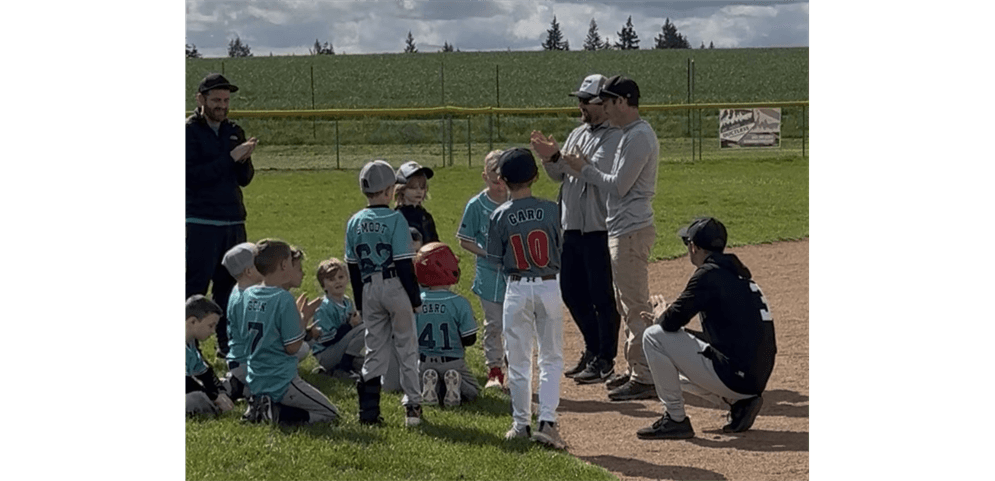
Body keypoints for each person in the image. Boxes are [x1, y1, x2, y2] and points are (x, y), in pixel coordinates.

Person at [555, 75, 660, 401]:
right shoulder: (629, 134)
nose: (603, 107)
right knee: (625, 304)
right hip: (619, 228)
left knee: (634, 306)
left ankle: (644, 376)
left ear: (622, 101)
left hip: (629, 229)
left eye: (608, 101)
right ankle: (637, 370)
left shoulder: (638, 136)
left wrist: (581, 168)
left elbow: (618, 185)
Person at [637, 217, 777, 439]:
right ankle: (739, 402)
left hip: (735, 376)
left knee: (653, 337)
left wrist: (660, 314)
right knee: (669, 354)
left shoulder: (708, 274)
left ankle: (675, 419)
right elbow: (720, 338)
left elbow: (669, 323)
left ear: (694, 247)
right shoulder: (740, 275)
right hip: (755, 378)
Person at [530, 74, 623, 386]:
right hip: (571, 225)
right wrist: (549, 159)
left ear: (604, 103)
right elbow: (560, 175)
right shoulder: (577, 133)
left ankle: (605, 359)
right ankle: (593, 348)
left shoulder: (615, 136)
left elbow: (590, 168)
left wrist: (561, 158)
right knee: (571, 291)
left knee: (601, 295)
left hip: (599, 225)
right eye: (579, 99)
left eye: (587, 100)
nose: (581, 105)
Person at [486, 148, 566, 450]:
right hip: (549, 285)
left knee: (518, 361)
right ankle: (547, 421)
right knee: (551, 357)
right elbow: (561, 246)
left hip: (517, 287)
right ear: (534, 175)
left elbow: (494, 259)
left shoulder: (499, 214)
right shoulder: (552, 209)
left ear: (502, 180)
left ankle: (521, 424)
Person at [346, 160, 424, 427]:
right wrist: (414, 299)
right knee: (407, 346)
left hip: (368, 288)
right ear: (390, 191)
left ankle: (368, 413)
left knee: (374, 348)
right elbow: (404, 263)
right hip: (394, 285)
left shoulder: (354, 221)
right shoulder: (395, 218)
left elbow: (352, 267)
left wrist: (360, 302)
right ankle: (412, 407)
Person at [186, 73, 258, 359]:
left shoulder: (234, 131)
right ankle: (187, 347)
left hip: (233, 222)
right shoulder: (188, 132)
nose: (222, 105)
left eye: (226, 100)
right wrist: (229, 158)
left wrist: (243, 160)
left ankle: (227, 346)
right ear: (200, 99)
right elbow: (191, 177)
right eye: (216, 100)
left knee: (230, 289)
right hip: (200, 222)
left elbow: (244, 179)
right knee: (195, 288)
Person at [241, 239, 339, 426]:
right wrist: (303, 320)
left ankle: (262, 404)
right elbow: (293, 348)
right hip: (281, 379)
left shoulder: (249, 293)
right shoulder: (283, 298)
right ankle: (274, 413)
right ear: (284, 265)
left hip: (256, 376)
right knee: (330, 414)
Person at [456, 149, 509, 390]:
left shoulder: (516, 200)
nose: (499, 183)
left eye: (503, 176)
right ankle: (495, 370)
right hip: (488, 275)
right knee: (494, 323)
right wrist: (487, 253)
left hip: (516, 275)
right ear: (485, 177)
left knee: (517, 324)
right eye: (493, 176)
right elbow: (464, 239)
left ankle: (517, 367)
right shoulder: (477, 205)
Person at [413, 242, 481, 407]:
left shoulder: (414, 302)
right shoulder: (459, 302)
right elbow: (469, 339)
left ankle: (432, 385)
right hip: (452, 361)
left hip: (423, 361)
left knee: (417, 383)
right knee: (473, 391)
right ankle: (452, 383)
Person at [220, 242, 263, 402]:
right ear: (249, 271)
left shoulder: (238, 289)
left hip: (236, 358)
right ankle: (241, 383)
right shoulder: (249, 299)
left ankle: (240, 385)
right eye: (259, 262)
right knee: (299, 349)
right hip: (245, 360)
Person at [308, 258, 365, 378]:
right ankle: (343, 368)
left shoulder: (347, 301)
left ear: (347, 279)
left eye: (340, 277)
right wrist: (350, 326)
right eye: (331, 279)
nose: (337, 282)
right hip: (326, 353)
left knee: (367, 364)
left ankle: (335, 369)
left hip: (339, 349)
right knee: (365, 328)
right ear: (323, 285)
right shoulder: (324, 307)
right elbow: (327, 339)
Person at [185, 295, 235, 417]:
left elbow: (205, 373)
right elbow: (185, 382)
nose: (213, 331)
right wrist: (215, 396)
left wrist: (220, 392)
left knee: (223, 386)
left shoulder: (190, 343)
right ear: (193, 321)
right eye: (210, 326)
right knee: (197, 399)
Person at [395, 161, 440, 244]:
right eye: (413, 187)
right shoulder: (396, 217)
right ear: (402, 189)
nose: (419, 191)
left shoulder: (426, 216)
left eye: (422, 187)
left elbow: (434, 244)